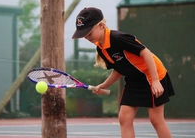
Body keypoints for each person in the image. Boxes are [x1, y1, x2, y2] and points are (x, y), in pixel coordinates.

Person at [72, 7, 175, 138]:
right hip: (134, 80)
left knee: (156, 120)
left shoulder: (118, 38)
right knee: (124, 118)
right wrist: (104, 85)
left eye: (89, 33)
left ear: (101, 26)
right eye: (83, 34)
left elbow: (146, 53)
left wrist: (155, 81)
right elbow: (119, 69)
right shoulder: (101, 49)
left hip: (152, 75)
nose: (86, 37)